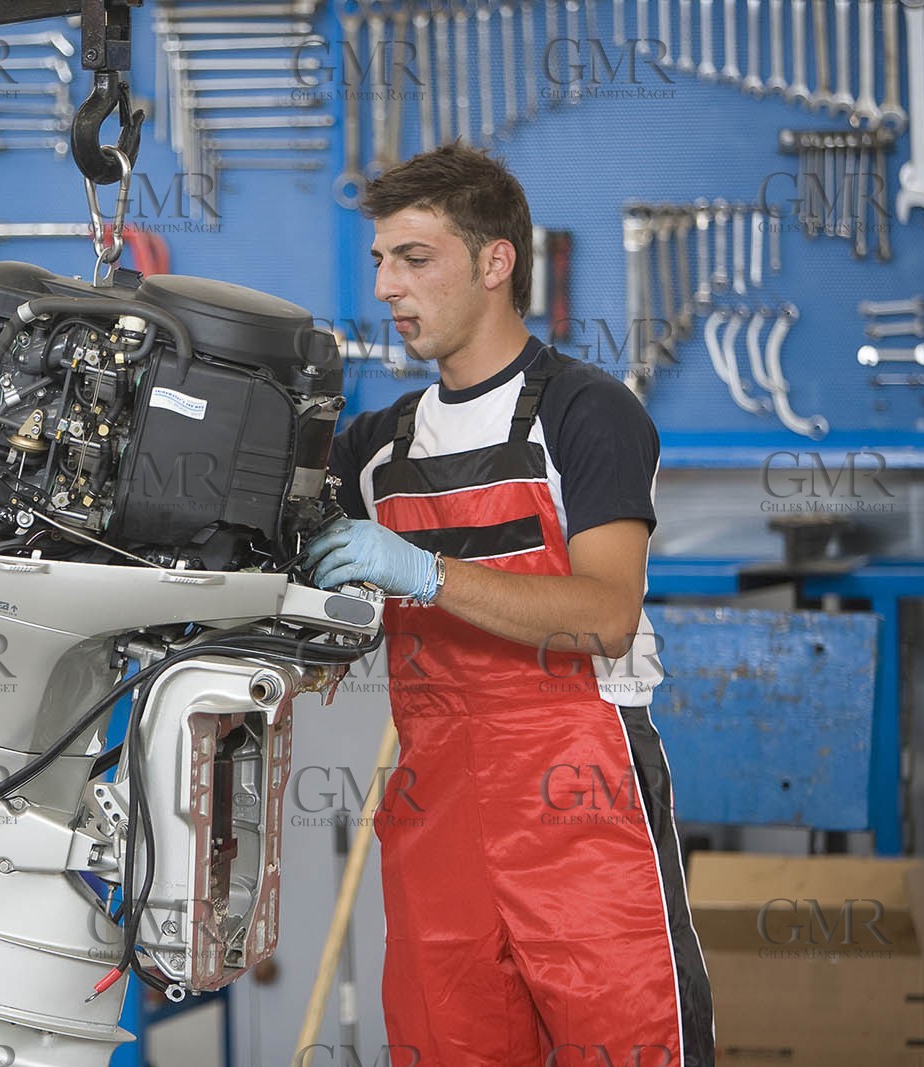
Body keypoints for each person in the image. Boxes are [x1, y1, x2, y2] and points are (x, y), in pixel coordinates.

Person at [302, 143, 714, 1066]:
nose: (388, 288)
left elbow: (606, 614)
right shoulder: (374, 447)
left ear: (496, 262)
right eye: (380, 262)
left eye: (416, 259)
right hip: (434, 814)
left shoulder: (587, 412)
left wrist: (424, 573)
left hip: (583, 813)